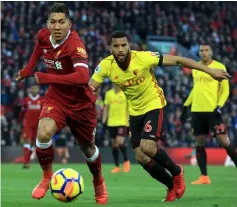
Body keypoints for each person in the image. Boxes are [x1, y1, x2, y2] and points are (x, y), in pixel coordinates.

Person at [89, 30, 230, 202]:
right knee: (141, 157)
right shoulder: (105, 65)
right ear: (110, 48)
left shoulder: (143, 58)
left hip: (154, 104)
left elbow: (178, 60)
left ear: (129, 46)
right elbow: (90, 89)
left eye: (124, 45)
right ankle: (171, 186)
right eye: (116, 46)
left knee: (148, 146)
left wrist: (209, 71)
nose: (120, 49)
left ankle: (177, 171)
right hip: (135, 112)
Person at [16, 3, 108, 204]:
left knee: (88, 149)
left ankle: (98, 180)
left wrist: (48, 78)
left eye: (61, 22)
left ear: (69, 24)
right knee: (43, 132)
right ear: (47, 24)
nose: (57, 27)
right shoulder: (43, 35)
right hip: (56, 98)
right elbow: (38, 49)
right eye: (53, 22)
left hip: (81, 104)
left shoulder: (75, 45)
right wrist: (27, 70)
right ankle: (47, 177)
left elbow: (83, 77)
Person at [181, 44, 237, 184]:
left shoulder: (219, 67)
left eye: (206, 50)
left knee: (224, 141)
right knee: (199, 143)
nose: (204, 53)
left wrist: (219, 105)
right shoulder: (196, 68)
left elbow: (225, 90)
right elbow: (196, 89)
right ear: (198, 52)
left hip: (213, 111)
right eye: (201, 50)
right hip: (197, 111)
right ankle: (204, 176)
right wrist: (185, 105)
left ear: (211, 52)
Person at [103, 84, 130, 173]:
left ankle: (126, 161)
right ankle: (117, 166)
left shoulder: (125, 93)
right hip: (111, 122)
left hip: (122, 122)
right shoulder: (108, 94)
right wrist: (104, 120)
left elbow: (129, 108)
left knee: (120, 141)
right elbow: (106, 108)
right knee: (114, 144)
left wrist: (130, 121)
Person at [19, 84, 44, 169]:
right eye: (33, 88)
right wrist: (20, 123)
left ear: (38, 89)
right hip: (28, 125)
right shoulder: (26, 100)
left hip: (38, 125)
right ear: (30, 90)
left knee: (33, 144)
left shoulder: (42, 100)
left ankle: (28, 161)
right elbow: (22, 113)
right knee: (27, 142)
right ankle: (26, 162)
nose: (34, 90)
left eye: (36, 88)